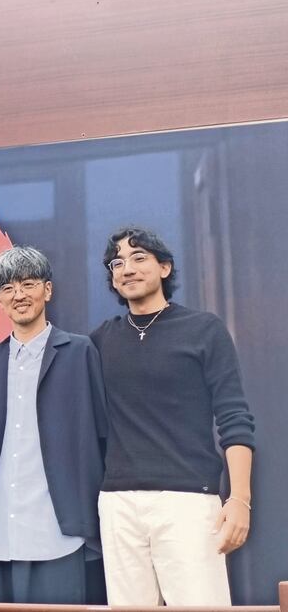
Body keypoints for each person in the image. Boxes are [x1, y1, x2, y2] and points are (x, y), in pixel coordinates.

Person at [91, 226, 255, 605]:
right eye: (117, 263)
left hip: (189, 501)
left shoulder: (204, 330)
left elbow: (234, 418)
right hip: (118, 503)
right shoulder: (100, 341)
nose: (126, 268)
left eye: (139, 258)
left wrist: (240, 500)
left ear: (165, 267)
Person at [0, 246, 107, 603]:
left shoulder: (79, 352)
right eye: (8, 289)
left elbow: (101, 432)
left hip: (58, 529)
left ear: (47, 290)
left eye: (28, 284)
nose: (19, 296)